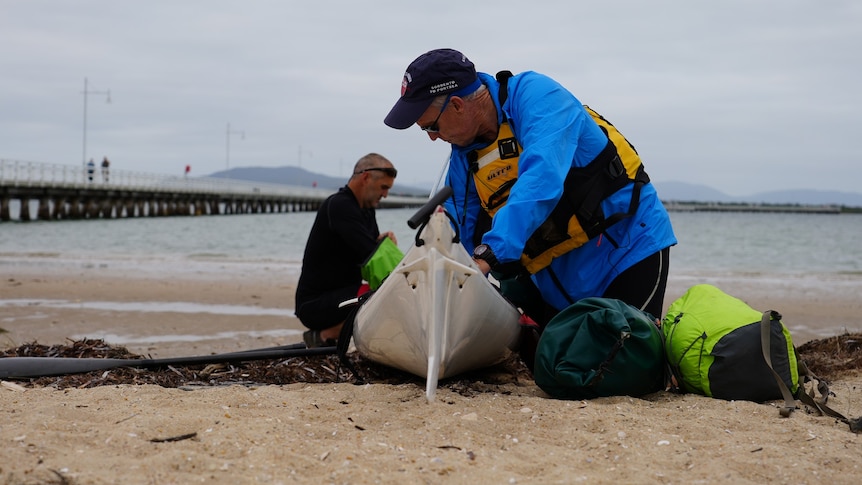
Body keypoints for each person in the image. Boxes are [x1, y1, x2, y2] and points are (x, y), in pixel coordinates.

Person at [384, 48, 677, 327]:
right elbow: (460, 230)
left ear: (457, 105)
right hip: (560, 283)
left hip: (626, 251)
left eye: (429, 127)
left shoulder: (537, 96)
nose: (433, 138)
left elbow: (542, 177)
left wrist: (489, 254)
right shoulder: (464, 156)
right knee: (561, 370)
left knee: (627, 362)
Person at [295, 153, 399, 347]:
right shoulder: (339, 205)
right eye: (384, 187)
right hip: (314, 304)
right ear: (365, 177)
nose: (385, 195)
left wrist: (382, 242)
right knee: (379, 296)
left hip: (342, 294)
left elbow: (368, 255)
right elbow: (371, 255)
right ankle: (324, 336)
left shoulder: (366, 210)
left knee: (380, 294)